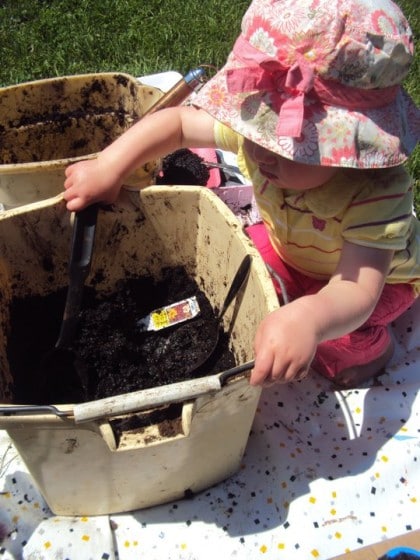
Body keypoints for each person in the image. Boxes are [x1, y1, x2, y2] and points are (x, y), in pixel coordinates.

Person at [63, 0, 420, 389]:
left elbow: (357, 289)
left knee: (338, 340)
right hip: (293, 250)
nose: (260, 151)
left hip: (378, 282)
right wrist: (109, 166)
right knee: (233, 273)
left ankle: (374, 352)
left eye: (289, 145)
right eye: (256, 131)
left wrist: (310, 319)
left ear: (349, 150)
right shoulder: (258, 142)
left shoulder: (378, 194)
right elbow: (179, 123)